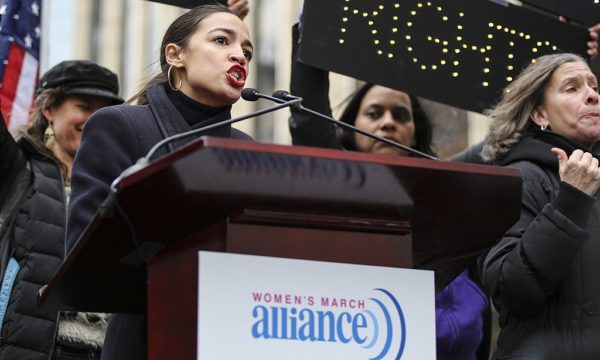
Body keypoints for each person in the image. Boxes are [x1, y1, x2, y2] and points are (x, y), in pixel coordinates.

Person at [288, 21, 490, 360]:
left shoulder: (448, 190)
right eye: (374, 113)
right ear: (351, 131)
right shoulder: (334, 181)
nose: (388, 123)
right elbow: (310, 123)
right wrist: (309, 31)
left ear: (415, 133)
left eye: (400, 115)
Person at [64, 4, 254, 360]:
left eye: (246, 51)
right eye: (221, 41)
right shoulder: (120, 125)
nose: (239, 55)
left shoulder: (249, 150)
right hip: (146, 339)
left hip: (233, 336)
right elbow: (84, 254)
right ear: (175, 55)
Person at [479, 52, 600, 359]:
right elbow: (510, 289)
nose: (591, 96)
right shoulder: (518, 177)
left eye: (594, 87)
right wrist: (570, 202)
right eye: (572, 88)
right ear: (540, 115)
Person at [0, 60, 123, 360]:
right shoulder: (19, 170)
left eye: (103, 111)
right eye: (84, 106)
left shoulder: (124, 184)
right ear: (49, 110)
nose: (94, 119)